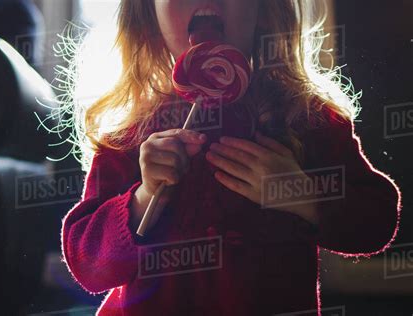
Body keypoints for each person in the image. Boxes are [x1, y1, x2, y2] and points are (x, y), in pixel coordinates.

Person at [60, 1, 402, 315]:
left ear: (265, 10)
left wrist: (304, 195)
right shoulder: (130, 135)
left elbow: (377, 221)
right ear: (147, 15)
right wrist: (143, 196)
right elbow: (87, 265)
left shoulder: (307, 121)